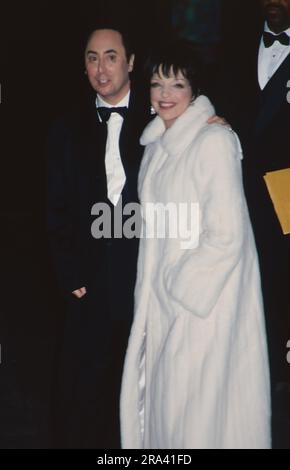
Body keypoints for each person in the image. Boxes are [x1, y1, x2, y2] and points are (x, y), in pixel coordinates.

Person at [47, 24, 226, 448]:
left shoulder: (162, 115)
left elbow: (197, 122)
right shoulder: (66, 127)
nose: (101, 67)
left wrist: (214, 119)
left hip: (148, 280)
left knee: (142, 395)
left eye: (111, 56)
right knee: (80, 396)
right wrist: (70, 277)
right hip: (88, 284)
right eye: (92, 57)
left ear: (129, 63)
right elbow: (56, 210)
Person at [120, 41, 271, 449]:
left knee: (199, 420)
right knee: (166, 415)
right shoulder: (155, 147)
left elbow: (226, 235)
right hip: (163, 303)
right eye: (157, 84)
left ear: (194, 90)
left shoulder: (213, 142)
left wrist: (179, 285)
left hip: (204, 306)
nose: (165, 94)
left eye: (177, 84)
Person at [217, 0, 290, 447]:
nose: (276, 3)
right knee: (246, 280)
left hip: (288, 191)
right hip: (242, 190)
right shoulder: (232, 47)